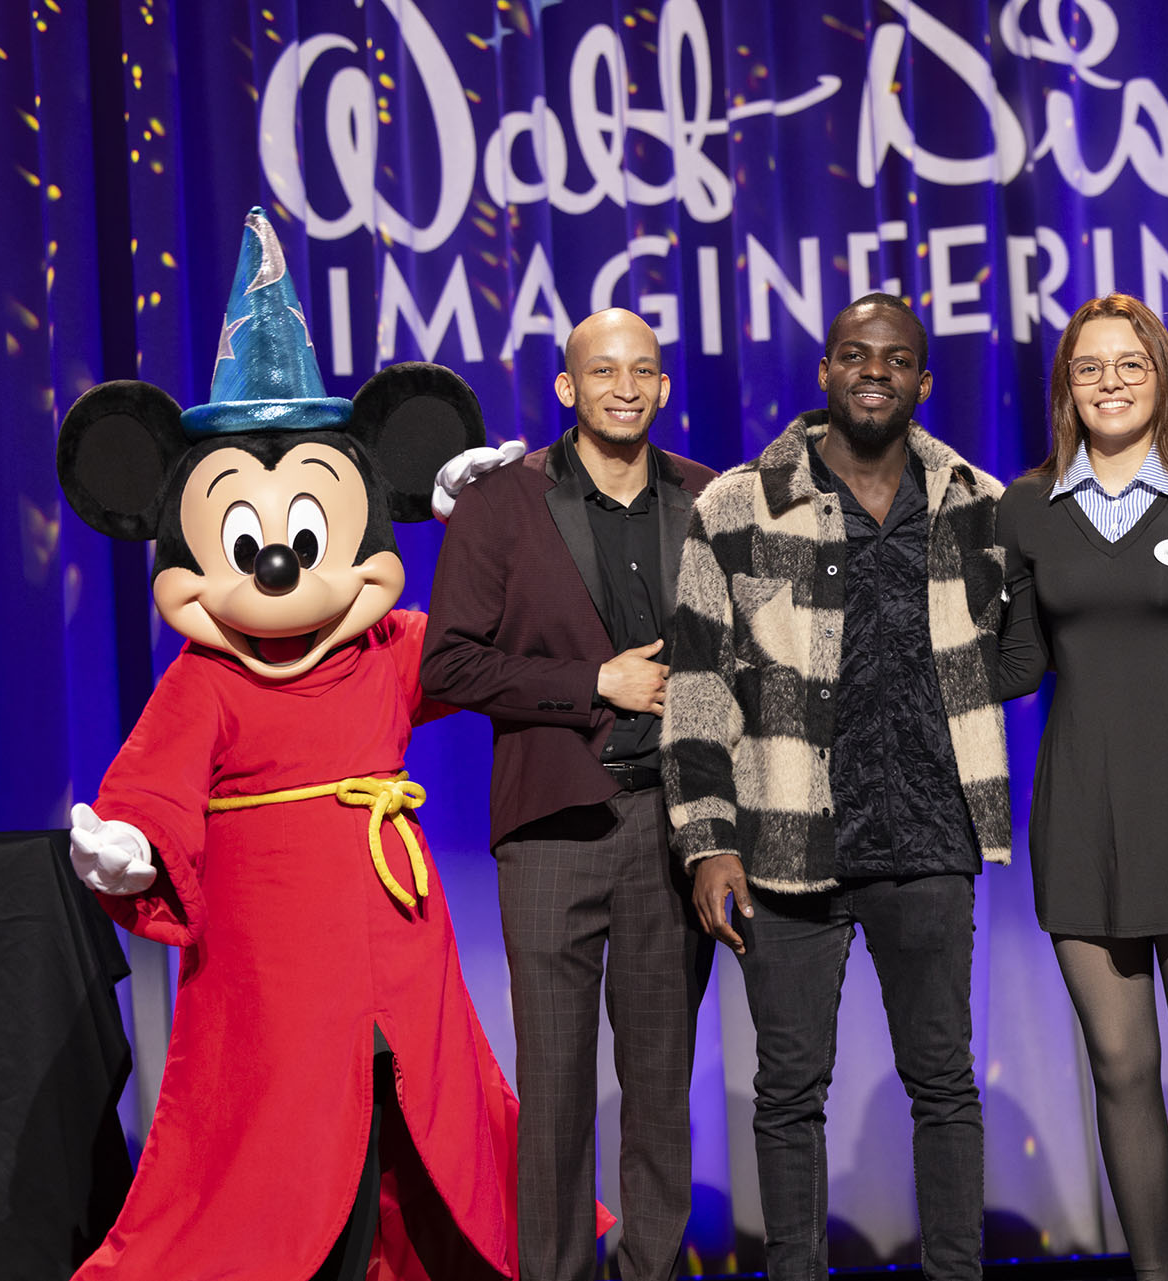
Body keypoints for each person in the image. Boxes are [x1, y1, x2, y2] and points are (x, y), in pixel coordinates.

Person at [662, 293, 1010, 1281]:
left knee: (943, 1082)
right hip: (785, 842)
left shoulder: (975, 501)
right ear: (824, 371)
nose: (875, 373)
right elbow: (696, 693)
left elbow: (1016, 644)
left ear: (922, 381)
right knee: (789, 1092)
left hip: (932, 834)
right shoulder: (737, 504)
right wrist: (707, 842)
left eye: (896, 360)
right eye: (855, 355)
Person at [421, 308, 717, 1281]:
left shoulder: (707, 498)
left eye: (642, 371)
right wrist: (594, 682)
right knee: (552, 1086)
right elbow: (453, 663)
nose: (624, 387)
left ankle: (652, 1268)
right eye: (603, 371)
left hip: (673, 829)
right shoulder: (504, 504)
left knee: (660, 1087)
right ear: (567, 388)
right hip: (552, 830)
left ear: (664, 387)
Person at [993, 294, 1168, 1281]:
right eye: (1088, 367)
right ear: (1066, 386)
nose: (1108, 382)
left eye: (1129, 365)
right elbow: (1014, 663)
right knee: (1120, 1068)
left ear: (1164, 378)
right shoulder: (1024, 508)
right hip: (1082, 814)